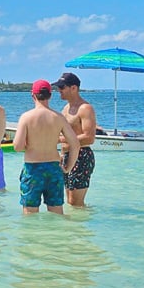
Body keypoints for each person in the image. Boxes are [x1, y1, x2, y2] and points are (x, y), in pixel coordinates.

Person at [13, 80, 81, 215]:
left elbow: (17, 146)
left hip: (32, 170)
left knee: (30, 214)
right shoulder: (58, 117)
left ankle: (33, 237)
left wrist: (30, 145)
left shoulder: (26, 117)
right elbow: (75, 144)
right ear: (50, 95)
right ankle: (56, 236)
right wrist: (68, 168)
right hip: (54, 169)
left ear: (33, 95)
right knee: (56, 212)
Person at [53, 71, 97, 208]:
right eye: (58, 87)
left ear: (74, 88)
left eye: (62, 87)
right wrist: (61, 154)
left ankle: (82, 227)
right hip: (66, 155)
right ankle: (72, 229)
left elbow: (89, 137)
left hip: (82, 155)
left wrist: (62, 140)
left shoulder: (85, 108)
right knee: (69, 201)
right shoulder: (65, 108)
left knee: (75, 202)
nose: (58, 91)